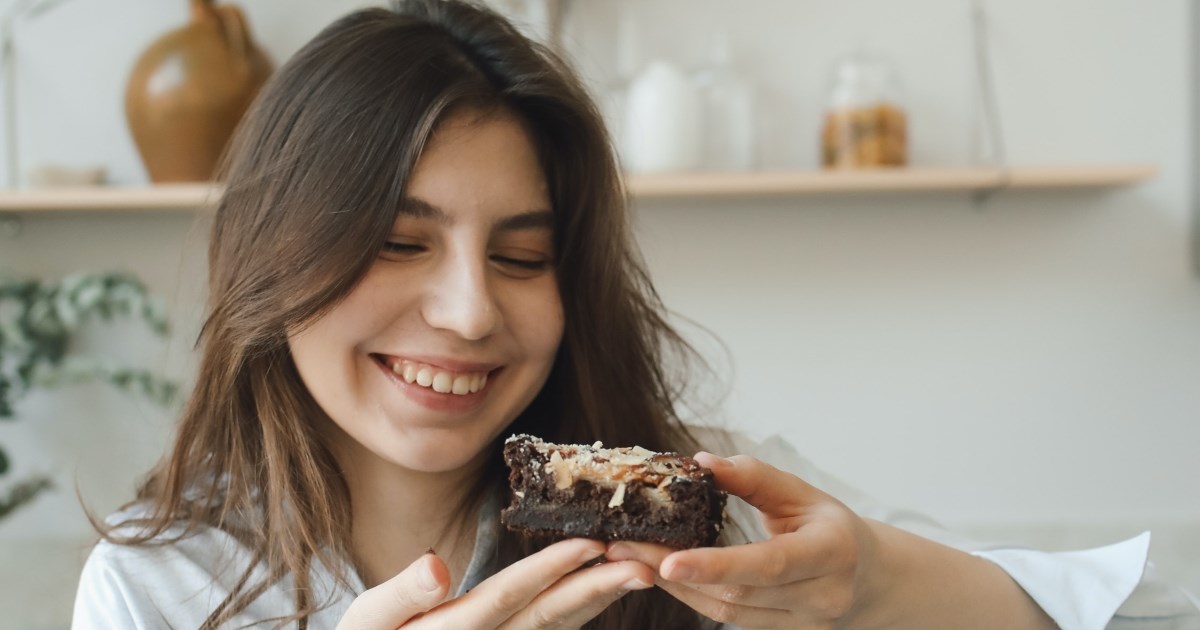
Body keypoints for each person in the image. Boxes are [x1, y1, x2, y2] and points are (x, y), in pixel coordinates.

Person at [73, 1, 1198, 628]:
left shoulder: (702, 516)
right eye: (398, 242)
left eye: (524, 256)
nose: (468, 312)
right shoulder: (153, 590)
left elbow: (1151, 609)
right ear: (277, 253)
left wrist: (875, 585)